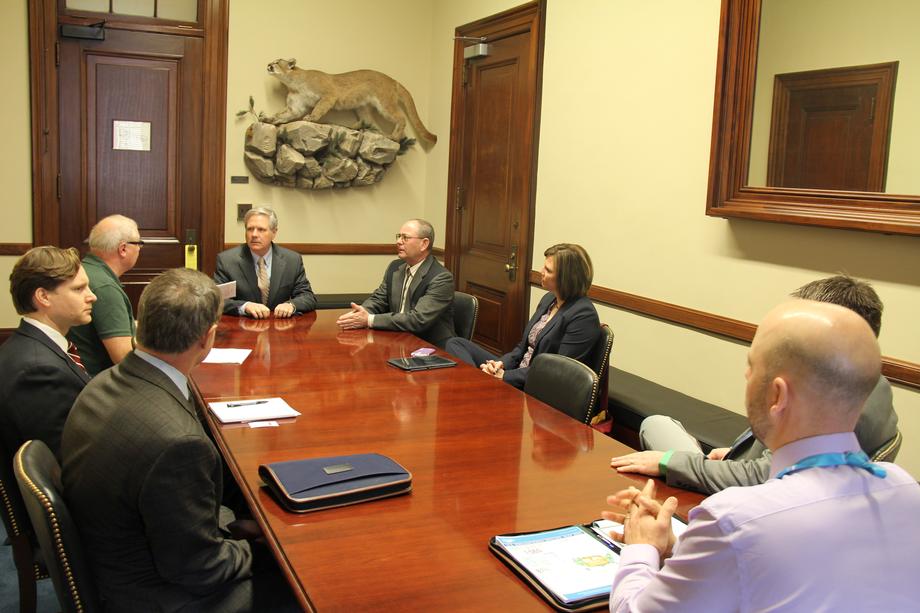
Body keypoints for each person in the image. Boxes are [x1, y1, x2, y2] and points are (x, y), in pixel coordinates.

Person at [602, 300, 920, 611]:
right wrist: (683, 549)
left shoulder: (734, 520)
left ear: (777, 395)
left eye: (751, 366)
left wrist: (641, 546)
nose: (746, 377)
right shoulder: (906, 489)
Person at [61, 269, 297, 612]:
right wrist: (265, 546)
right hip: (160, 596)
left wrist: (235, 525)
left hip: (116, 556)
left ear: (142, 323)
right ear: (207, 337)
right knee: (306, 582)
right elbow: (200, 568)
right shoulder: (178, 445)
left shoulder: (103, 383)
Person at [611, 275, 898, 494]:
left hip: (743, 492)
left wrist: (669, 463)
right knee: (658, 424)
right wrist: (735, 455)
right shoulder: (869, 386)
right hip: (739, 466)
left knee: (656, 438)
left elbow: (766, 476)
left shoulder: (842, 402)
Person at [445, 243, 599, 389]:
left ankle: (480, 383)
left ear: (566, 278)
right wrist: (500, 364)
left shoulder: (583, 315)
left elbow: (556, 371)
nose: (541, 271)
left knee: (470, 375)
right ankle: (482, 382)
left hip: (537, 385)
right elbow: (521, 348)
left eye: (548, 270)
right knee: (456, 343)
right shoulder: (549, 299)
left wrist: (505, 376)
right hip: (517, 370)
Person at [0, 246, 94, 462]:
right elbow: (67, 461)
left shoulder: (34, 346)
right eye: (79, 289)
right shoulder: (38, 371)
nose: (92, 296)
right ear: (43, 296)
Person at [336, 218, 455, 347]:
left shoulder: (441, 278)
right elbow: (379, 299)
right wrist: (360, 313)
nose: (398, 241)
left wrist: (369, 320)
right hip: (398, 341)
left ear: (424, 244)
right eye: (399, 236)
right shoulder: (395, 267)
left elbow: (418, 320)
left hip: (430, 347)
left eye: (405, 238)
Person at [67, 214, 141, 375]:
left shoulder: (86, 270)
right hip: (100, 385)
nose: (140, 248)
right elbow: (124, 358)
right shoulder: (104, 287)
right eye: (138, 243)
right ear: (123, 249)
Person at [215, 207, 316, 318]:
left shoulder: (292, 260)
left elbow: (307, 296)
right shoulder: (227, 260)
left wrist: (291, 305)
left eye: (261, 230)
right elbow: (216, 299)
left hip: (279, 328)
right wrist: (244, 306)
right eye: (250, 229)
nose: (254, 234)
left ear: (274, 232)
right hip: (243, 328)